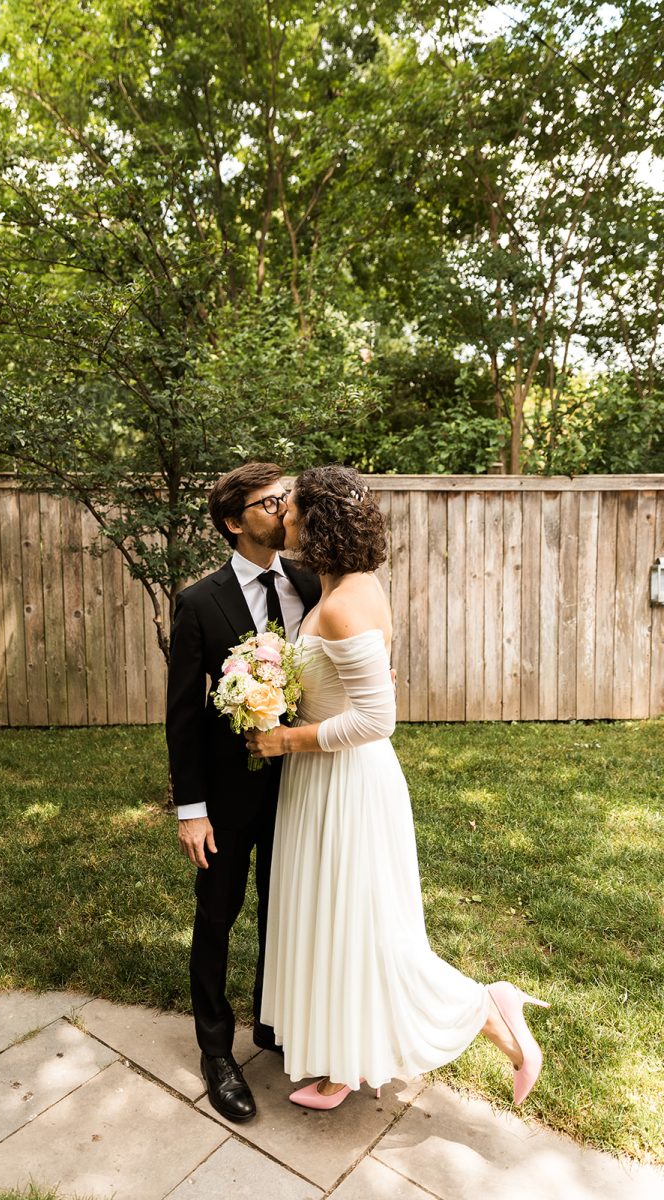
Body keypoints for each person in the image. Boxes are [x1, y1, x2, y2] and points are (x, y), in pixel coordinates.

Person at [247, 464, 549, 1111]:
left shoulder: (348, 597)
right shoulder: (339, 586)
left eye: (293, 508)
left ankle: (490, 1009)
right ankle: (343, 1064)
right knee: (340, 926)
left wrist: (287, 740)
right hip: (320, 783)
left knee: (373, 933)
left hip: (347, 784)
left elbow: (378, 719)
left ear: (319, 519)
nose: (284, 517)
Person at [166, 462, 321, 1123]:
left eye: (286, 497)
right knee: (218, 911)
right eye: (270, 502)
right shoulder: (200, 602)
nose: (286, 509)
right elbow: (181, 713)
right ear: (236, 522)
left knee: (284, 907)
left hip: (301, 786)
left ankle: (272, 1022)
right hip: (226, 792)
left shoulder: (311, 586)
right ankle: (215, 1049)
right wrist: (191, 810)